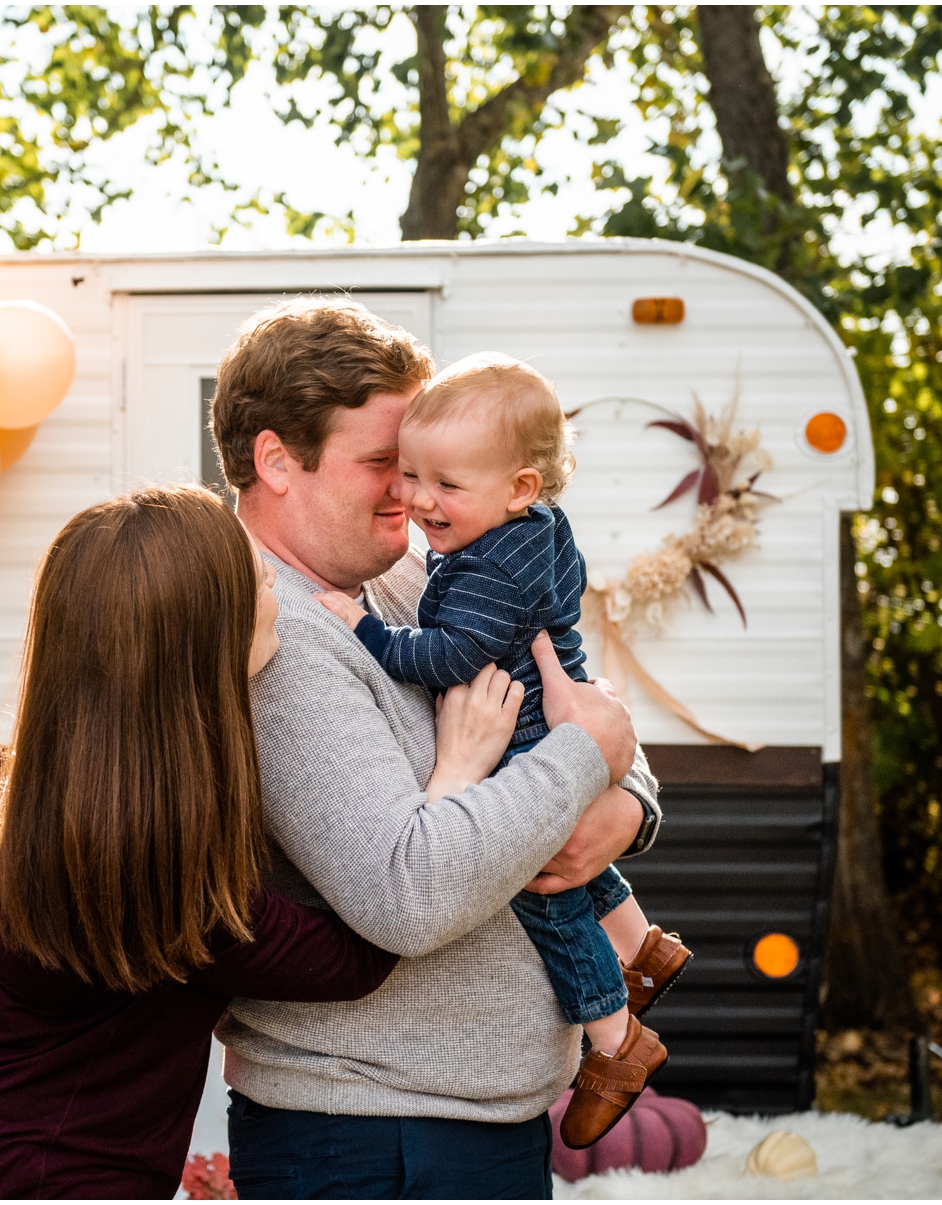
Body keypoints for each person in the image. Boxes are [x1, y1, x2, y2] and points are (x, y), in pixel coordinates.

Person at [0, 485, 528, 1199]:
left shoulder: (95, 796)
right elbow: (362, 948)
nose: (269, 576)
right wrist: (454, 774)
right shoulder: (144, 868)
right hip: (38, 1177)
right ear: (198, 630)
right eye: (251, 574)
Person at [210, 299, 676, 1198]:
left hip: (474, 1114)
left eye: (428, 467)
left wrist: (619, 808)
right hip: (369, 1134)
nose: (414, 493)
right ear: (276, 459)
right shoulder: (274, 634)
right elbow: (408, 894)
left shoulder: (413, 569)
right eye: (387, 462)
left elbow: (592, 713)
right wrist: (580, 767)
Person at [315, 352, 692, 1150]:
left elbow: (449, 656)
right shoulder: (530, 529)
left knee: (544, 893)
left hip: (526, 736)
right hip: (556, 716)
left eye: (440, 483)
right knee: (569, 853)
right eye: (403, 471)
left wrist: (369, 630)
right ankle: (641, 943)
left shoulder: (476, 565)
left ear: (520, 485)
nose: (415, 498)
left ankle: (618, 1043)